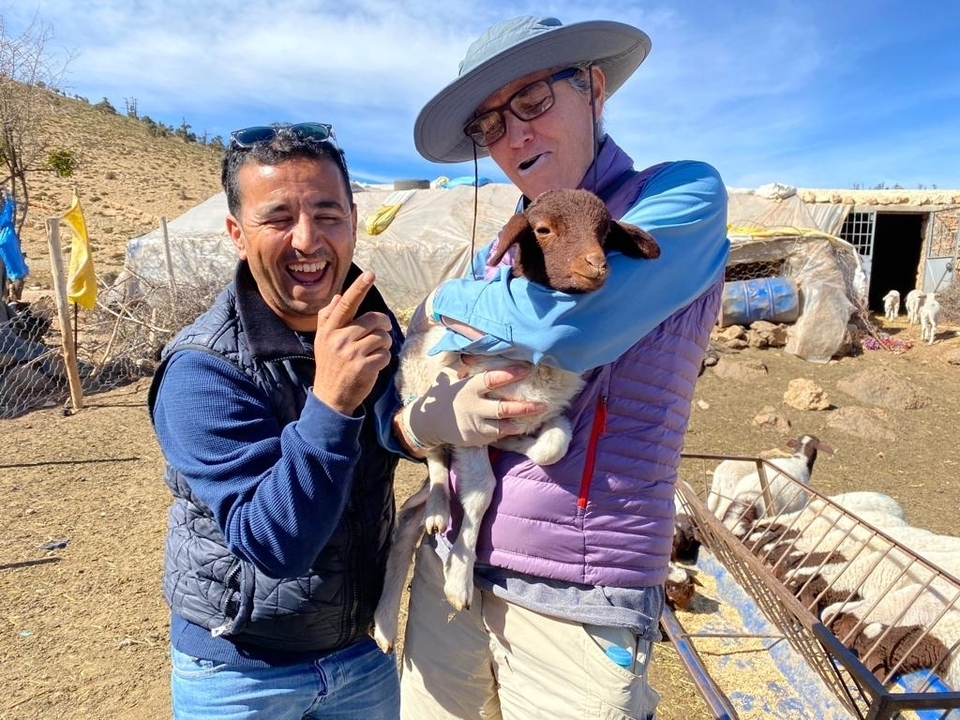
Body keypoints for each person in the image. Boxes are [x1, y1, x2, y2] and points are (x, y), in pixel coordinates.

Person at [399, 16, 731, 720]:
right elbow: (434, 359)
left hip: (577, 593)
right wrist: (425, 420)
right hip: (452, 566)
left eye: (532, 101)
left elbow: (566, 325)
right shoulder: (502, 247)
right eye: (490, 124)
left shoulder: (681, 198)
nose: (514, 135)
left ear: (594, 89)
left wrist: (444, 299)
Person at [148, 122, 538, 719]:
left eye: (328, 215)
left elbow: (391, 433)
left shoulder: (374, 326)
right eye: (278, 218)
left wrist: (431, 421)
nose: (308, 241)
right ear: (236, 232)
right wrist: (330, 403)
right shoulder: (201, 371)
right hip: (241, 672)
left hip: (362, 652)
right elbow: (274, 545)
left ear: (354, 222)